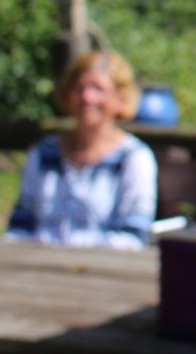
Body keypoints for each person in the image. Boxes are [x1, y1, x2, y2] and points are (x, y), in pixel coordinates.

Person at [6, 50, 158, 249]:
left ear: (120, 98)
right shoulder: (43, 152)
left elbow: (133, 237)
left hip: (104, 272)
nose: (87, 97)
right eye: (79, 88)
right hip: (35, 269)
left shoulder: (134, 158)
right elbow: (20, 225)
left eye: (97, 89)